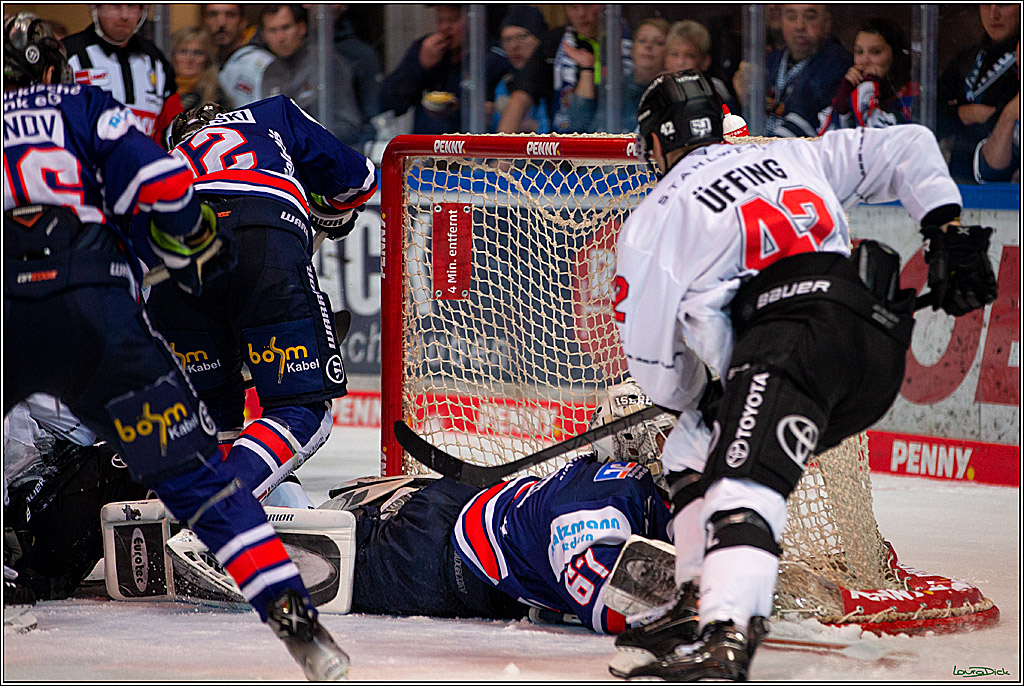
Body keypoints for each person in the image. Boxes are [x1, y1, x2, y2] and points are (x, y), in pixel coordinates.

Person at [606, 69, 998, 681]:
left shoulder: (658, 213)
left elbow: (658, 372)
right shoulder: (786, 154)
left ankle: (726, 635)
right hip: (874, 343)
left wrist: (702, 392)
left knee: (742, 481)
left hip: (792, 345)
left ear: (655, 142)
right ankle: (695, 598)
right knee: (691, 447)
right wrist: (942, 228)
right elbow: (909, 143)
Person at [2, 14, 348, 679]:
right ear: (57, 71)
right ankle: (294, 620)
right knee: (191, 471)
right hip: (90, 326)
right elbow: (167, 197)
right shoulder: (86, 108)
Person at [151, 97, 377, 512]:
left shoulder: (162, 166)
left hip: (175, 262)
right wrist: (327, 212)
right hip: (263, 243)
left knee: (207, 424)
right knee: (302, 410)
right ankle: (218, 519)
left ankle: (166, 519)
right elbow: (360, 181)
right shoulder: (271, 113)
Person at [497, 4, 633, 135]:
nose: (581, 14)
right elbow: (521, 97)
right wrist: (499, 153)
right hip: (567, 144)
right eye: (573, 7)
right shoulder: (555, 41)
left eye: (588, 5)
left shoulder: (636, 39)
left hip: (625, 139)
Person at [380, 4, 509, 135]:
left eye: (453, 20)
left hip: (466, 144)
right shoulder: (425, 48)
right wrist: (419, 65)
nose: (444, 28)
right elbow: (388, 103)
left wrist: (455, 110)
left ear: (475, 18)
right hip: (425, 145)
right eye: (440, 20)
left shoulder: (493, 58)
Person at [63, 4, 182, 143]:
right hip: (84, 161)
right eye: (116, 5)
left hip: (145, 160)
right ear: (96, 7)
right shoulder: (68, 54)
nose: (124, 15)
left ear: (142, 11)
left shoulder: (155, 59)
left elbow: (171, 124)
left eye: (132, 6)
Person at [732, 4, 851, 137]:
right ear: (781, 20)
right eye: (791, 17)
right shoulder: (772, 62)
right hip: (764, 150)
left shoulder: (836, 64)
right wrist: (743, 101)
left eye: (810, 17)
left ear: (826, 22)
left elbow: (805, 124)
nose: (799, 26)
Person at [259, 5, 363, 147]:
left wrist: (306, 139)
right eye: (272, 31)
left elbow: (349, 126)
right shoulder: (270, 72)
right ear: (264, 36)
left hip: (325, 155)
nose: (280, 37)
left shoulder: (326, 62)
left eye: (286, 28)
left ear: (301, 28)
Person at [938, 4, 1020, 183]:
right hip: (959, 182)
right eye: (986, 4)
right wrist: (964, 114)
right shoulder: (967, 58)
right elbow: (928, 117)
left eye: (1004, 4)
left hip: (1005, 190)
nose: (993, 14)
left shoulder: (1017, 66)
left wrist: (1000, 117)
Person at [566, 17, 668, 134]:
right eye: (642, 41)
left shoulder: (665, 95)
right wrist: (587, 67)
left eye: (658, 43)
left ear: (668, 53)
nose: (648, 46)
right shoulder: (612, 88)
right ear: (632, 49)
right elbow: (577, 125)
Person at [817, 17, 916, 133]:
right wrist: (842, 107)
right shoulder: (853, 90)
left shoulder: (912, 96)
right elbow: (827, 141)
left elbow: (874, 137)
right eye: (859, 52)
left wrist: (868, 88)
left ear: (895, 55)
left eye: (875, 52)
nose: (865, 60)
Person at [202, 4, 275, 109]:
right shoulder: (202, 62)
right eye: (213, 15)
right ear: (204, 21)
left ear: (243, 22)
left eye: (230, 15)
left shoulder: (262, 63)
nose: (221, 23)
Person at [492, 5, 551, 133]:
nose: (514, 46)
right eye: (507, 40)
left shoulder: (553, 78)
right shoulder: (504, 82)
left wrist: (535, 128)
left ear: (539, 39)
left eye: (522, 37)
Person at [664, 20, 734, 110]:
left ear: (705, 61)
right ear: (665, 59)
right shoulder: (656, 90)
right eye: (674, 54)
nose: (680, 62)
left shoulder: (715, 89)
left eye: (689, 55)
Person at [171, 27, 222, 111]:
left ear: (208, 58)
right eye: (183, 52)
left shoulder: (216, 98)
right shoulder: (160, 91)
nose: (189, 59)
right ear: (173, 55)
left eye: (198, 53)